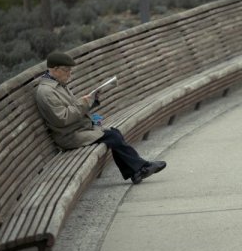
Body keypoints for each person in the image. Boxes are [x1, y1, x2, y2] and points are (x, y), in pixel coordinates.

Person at [35, 51, 166, 184]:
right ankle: (141, 169)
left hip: (78, 129)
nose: (70, 74)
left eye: (70, 70)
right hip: (69, 136)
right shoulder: (46, 92)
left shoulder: (58, 85)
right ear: (55, 69)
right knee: (113, 137)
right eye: (66, 70)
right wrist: (84, 103)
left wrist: (91, 101)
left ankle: (137, 172)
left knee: (114, 133)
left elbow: (73, 109)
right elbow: (62, 118)